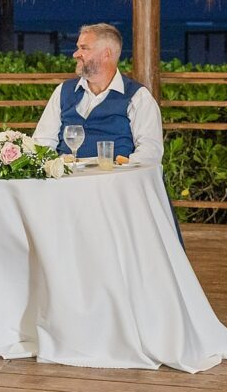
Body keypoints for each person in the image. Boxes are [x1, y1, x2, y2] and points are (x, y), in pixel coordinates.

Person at [32, 23, 184, 246]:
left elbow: (150, 152)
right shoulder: (63, 92)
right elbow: (42, 142)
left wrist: (115, 175)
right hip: (65, 191)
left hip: (114, 195)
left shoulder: (138, 98)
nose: (76, 54)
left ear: (106, 54)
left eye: (84, 48)